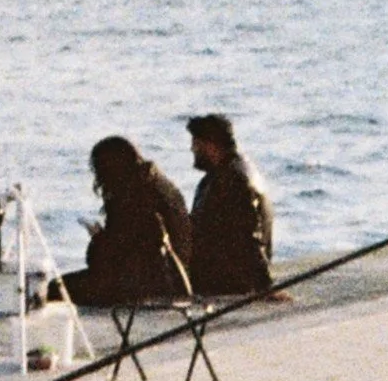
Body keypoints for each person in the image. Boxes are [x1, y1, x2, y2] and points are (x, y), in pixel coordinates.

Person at [63, 135, 193, 311]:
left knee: (57, 288)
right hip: (171, 276)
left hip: (140, 283)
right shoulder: (156, 184)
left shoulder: (129, 197)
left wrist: (98, 238)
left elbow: (109, 257)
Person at [186, 113, 275, 300]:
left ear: (210, 145)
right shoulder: (240, 170)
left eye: (195, 143)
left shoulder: (231, 180)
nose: (192, 149)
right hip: (232, 276)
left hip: (228, 281)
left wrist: (265, 286)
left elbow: (249, 235)